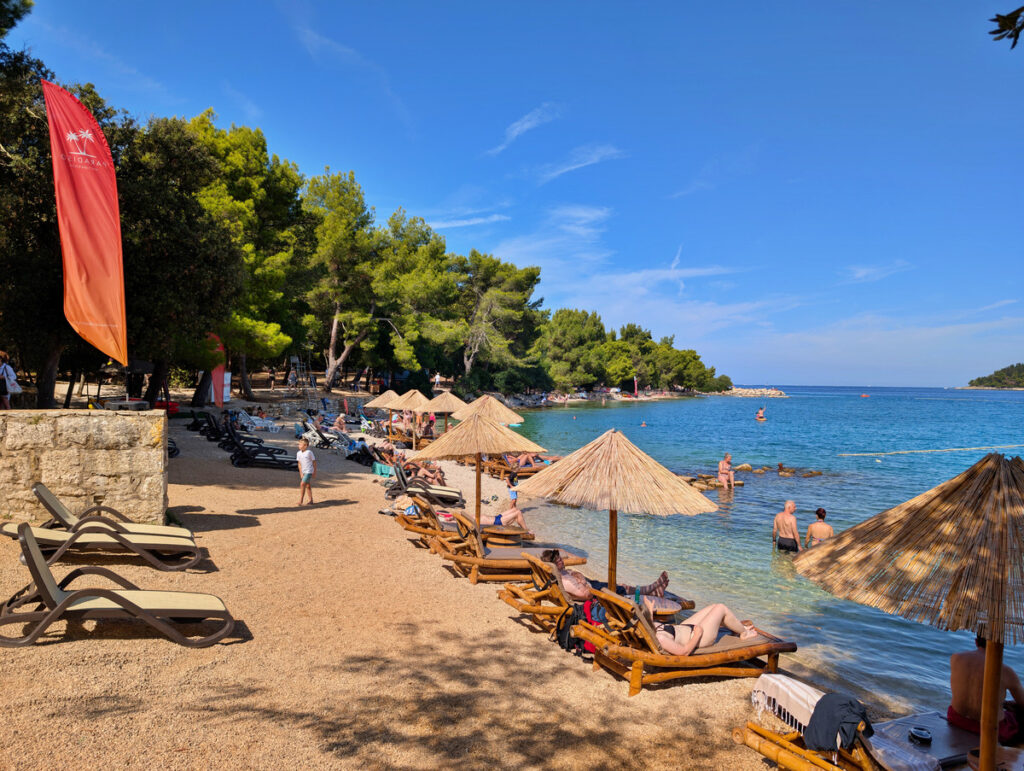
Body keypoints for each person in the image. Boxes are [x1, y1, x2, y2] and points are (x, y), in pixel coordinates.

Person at [948, 636, 1024, 743]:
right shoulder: (1006, 671)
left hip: (957, 719)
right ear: (1000, 645)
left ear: (976, 642)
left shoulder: (956, 658)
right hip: (990, 729)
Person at [540, 549, 670, 603]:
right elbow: (586, 595)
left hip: (592, 585)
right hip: (596, 594)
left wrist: (578, 576)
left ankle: (652, 591)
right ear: (553, 565)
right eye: (558, 561)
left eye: (560, 559)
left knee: (620, 586)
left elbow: (572, 572)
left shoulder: (560, 574)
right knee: (621, 588)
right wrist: (583, 582)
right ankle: (651, 590)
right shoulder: (565, 581)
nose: (561, 561)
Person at [654, 603, 758, 656]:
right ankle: (744, 633)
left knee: (714, 607)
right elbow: (684, 652)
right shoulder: (661, 638)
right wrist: (697, 635)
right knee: (721, 608)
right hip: (699, 638)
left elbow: (647, 615)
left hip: (684, 628)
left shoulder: (649, 627)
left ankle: (737, 627)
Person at [296, 438, 317, 505]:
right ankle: (311, 500)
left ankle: (301, 500)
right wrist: (301, 473)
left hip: (309, 471)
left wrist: (314, 472)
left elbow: (314, 462)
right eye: (299, 444)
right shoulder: (298, 453)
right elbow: (299, 463)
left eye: (300, 444)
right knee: (307, 485)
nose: (299, 446)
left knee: (302, 484)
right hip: (303, 471)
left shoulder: (309, 452)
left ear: (305, 446)